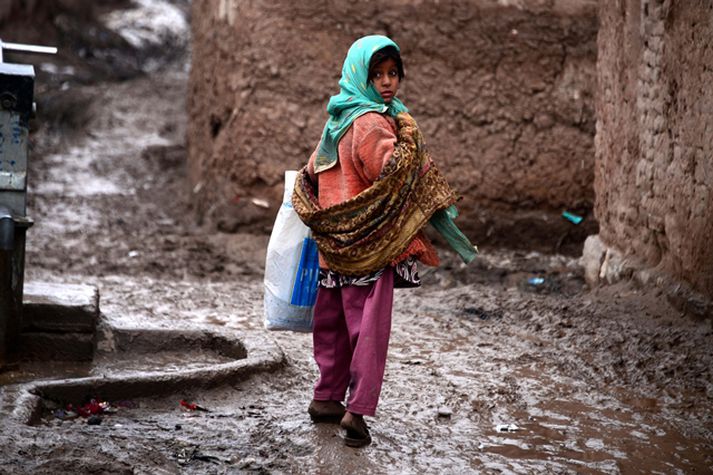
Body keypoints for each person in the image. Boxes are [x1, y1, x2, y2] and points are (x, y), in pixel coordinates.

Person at [292, 35, 475, 448]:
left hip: (334, 249)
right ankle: (356, 411)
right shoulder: (373, 122)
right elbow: (390, 169)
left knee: (333, 326)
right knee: (367, 331)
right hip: (369, 248)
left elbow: (311, 172)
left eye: (394, 74)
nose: (388, 83)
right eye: (378, 75)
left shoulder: (336, 119)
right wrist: (408, 134)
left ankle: (326, 398)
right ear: (362, 75)